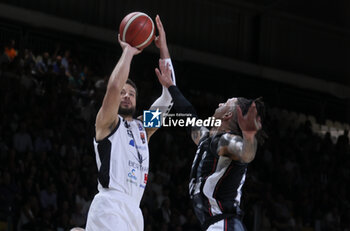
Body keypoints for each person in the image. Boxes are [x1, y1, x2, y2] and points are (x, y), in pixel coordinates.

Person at [85, 15, 176, 231]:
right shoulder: (106, 122)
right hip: (111, 205)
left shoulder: (142, 128)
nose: (126, 96)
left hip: (134, 211)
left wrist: (163, 48)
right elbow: (114, 88)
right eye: (124, 93)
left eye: (132, 93)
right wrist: (128, 50)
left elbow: (169, 98)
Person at [154, 60, 265, 231]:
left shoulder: (225, 141)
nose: (220, 104)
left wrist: (249, 137)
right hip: (217, 225)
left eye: (225, 103)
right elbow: (188, 115)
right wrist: (170, 86)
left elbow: (245, 155)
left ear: (228, 114)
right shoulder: (207, 138)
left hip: (225, 225)